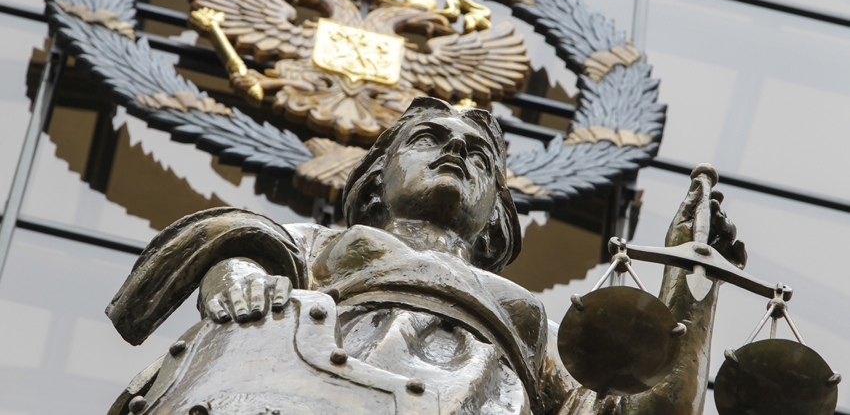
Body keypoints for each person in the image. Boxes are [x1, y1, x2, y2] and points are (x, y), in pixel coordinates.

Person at [106, 97, 745, 415]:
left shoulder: (544, 331)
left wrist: (690, 281)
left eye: (480, 156)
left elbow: (644, 410)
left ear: (496, 216)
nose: (456, 152)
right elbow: (244, 244)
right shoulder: (318, 246)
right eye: (428, 139)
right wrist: (237, 274)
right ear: (375, 181)